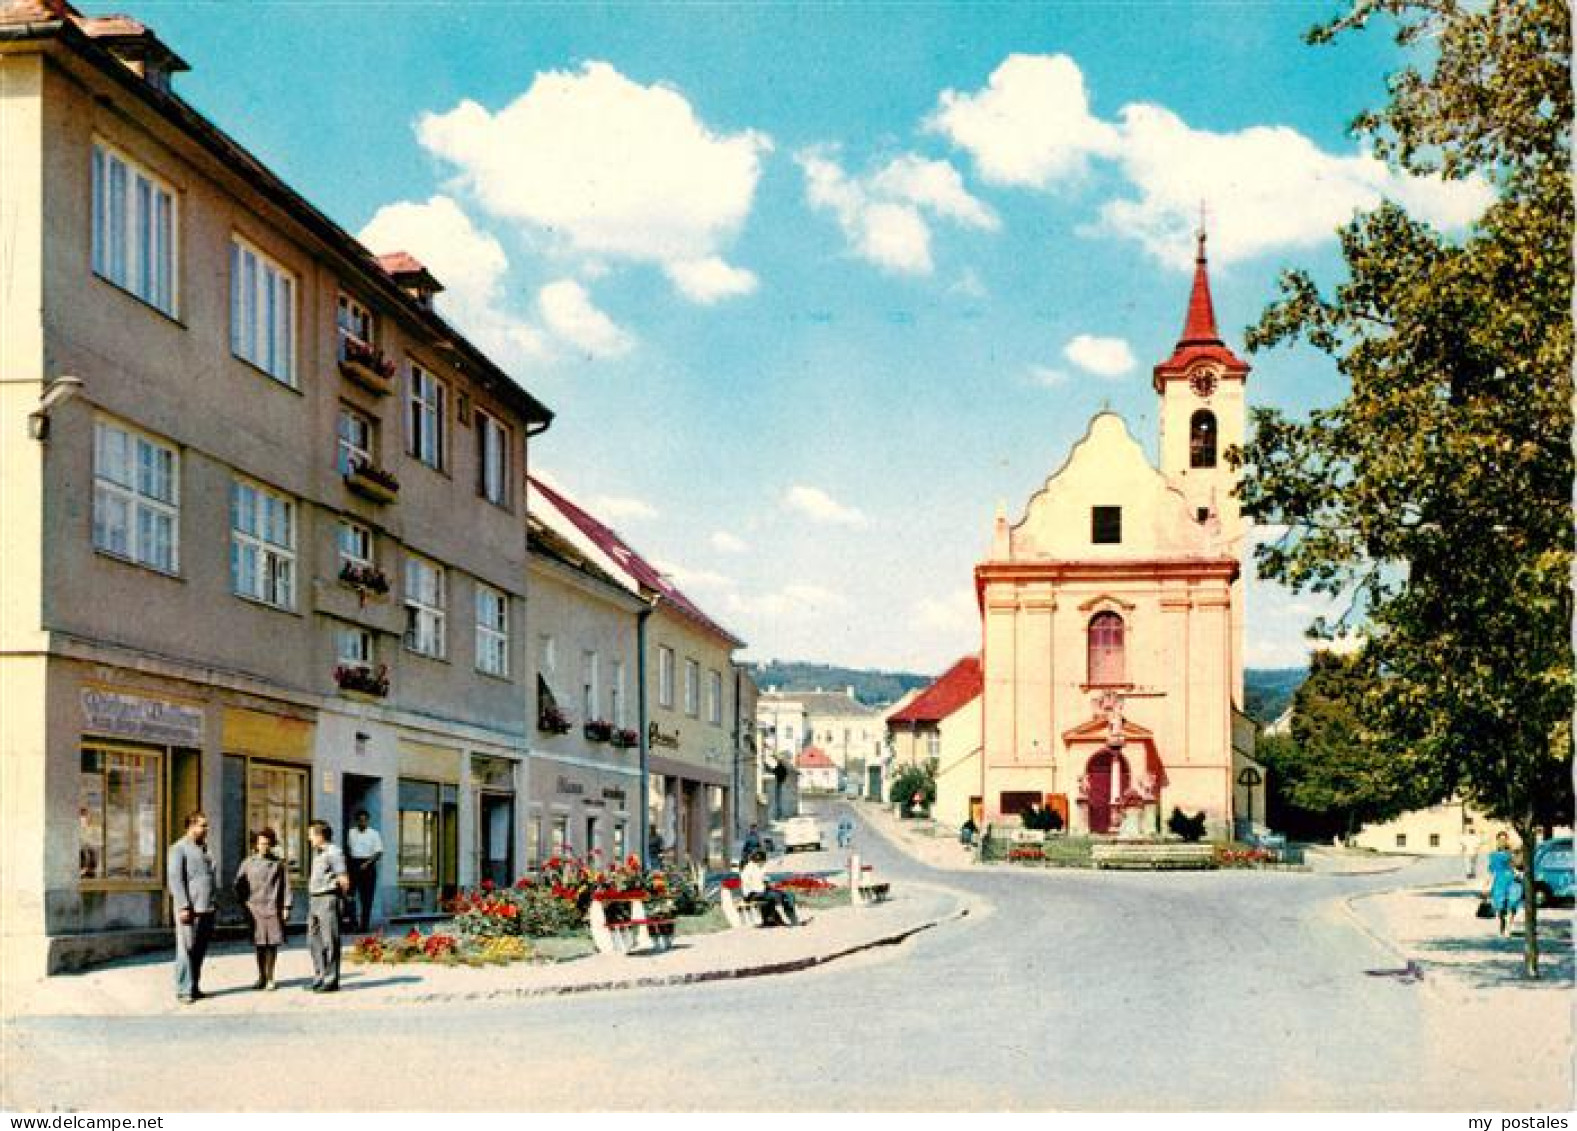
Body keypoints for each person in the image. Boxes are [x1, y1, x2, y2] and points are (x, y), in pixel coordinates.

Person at [167, 811, 218, 1005]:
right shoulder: (178, 849)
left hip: (207, 907)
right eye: (202, 826)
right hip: (190, 908)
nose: (206, 829)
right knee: (186, 949)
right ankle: (183, 990)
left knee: (199, 949)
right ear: (191, 826)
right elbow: (175, 880)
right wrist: (183, 906)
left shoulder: (204, 849)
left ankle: (194, 986)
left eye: (206, 825)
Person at [235, 828, 290, 991]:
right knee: (259, 944)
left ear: (272, 844)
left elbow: (286, 886)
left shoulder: (278, 864)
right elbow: (238, 884)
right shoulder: (247, 863)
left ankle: (271, 977)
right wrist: (244, 902)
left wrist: (286, 907)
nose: (264, 847)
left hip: (272, 907)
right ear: (256, 845)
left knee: (272, 944)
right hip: (255, 908)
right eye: (261, 844)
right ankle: (261, 976)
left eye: (267, 844)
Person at [306, 820, 350, 992]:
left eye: (311, 835)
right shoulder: (318, 853)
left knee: (330, 940)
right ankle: (320, 976)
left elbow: (344, 879)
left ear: (319, 835)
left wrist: (340, 900)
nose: (309, 839)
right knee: (313, 940)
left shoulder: (334, 852)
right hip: (314, 899)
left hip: (328, 898)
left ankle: (331, 980)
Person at [346, 809, 384, 933]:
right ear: (357, 821)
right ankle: (353, 923)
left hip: (368, 865)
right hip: (354, 864)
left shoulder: (374, 834)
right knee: (350, 896)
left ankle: (364, 925)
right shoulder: (351, 832)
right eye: (360, 820)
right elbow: (349, 848)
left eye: (364, 820)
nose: (362, 823)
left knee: (366, 898)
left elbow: (378, 852)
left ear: (368, 821)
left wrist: (367, 863)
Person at [740, 849, 799, 927]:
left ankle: (793, 920)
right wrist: (764, 888)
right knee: (775, 896)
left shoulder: (759, 867)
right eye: (763, 861)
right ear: (758, 860)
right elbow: (749, 884)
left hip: (761, 892)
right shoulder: (748, 869)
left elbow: (764, 880)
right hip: (751, 894)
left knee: (786, 895)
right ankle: (775, 920)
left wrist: (768, 885)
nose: (764, 863)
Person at [1484, 831, 1524, 936]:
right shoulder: (1493, 855)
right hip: (1499, 882)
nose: (1502, 841)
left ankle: (1508, 928)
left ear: (1507, 840)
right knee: (1500, 907)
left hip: (1512, 880)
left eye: (1504, 839)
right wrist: (1486, 885)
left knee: (1512, 903)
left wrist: (1518, 874)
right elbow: (1491, 870)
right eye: (1500, 839)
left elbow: (1516, 866)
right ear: (1497, 841)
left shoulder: (1511, 853)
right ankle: (1502, 923)